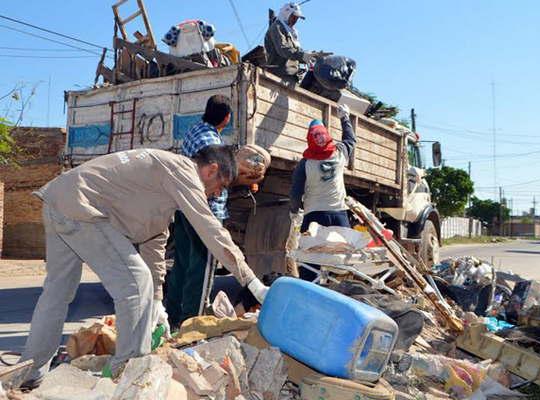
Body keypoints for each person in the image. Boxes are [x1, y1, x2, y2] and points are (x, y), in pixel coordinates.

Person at [19, 145, 269, 386]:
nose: (217, 194)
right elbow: (211, 229)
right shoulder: (182, 169)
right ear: (211, 170)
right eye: (220, 186)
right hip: (82, 206)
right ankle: (128, 374)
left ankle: (31, 371)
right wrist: (251, 281)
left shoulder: (162, 186)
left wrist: (158, 301)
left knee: (57, 294)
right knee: (135, 283)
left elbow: (154, 245)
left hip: (59, 200)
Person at [165, 95, 269, 329]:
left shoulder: (193, 132)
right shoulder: (213, 141)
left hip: (183, 208)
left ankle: (172, 317)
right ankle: (192, 323)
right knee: (200, 270)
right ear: (227, 118)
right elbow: (215, 179)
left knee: (181, 265)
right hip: (206, 212)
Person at [289, 104, 356, 279]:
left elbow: (296, 192)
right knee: (342, 263)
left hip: (313, 218)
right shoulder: (340, 154)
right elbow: (350, 140)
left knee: (309, 263)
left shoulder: (305, 164)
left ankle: (310, 295)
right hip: (339, 217)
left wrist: (294, 212)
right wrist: (344, 118)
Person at [264, 2, 313, 81]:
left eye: (297, 18)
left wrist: (310, 55)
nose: (295, 20)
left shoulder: (291, 32)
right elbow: (283, 49)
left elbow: (296, 52)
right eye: (293, 17)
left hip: (291, 76)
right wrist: (302, 55)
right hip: (279, 75)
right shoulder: (277, 27)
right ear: (286, 14)